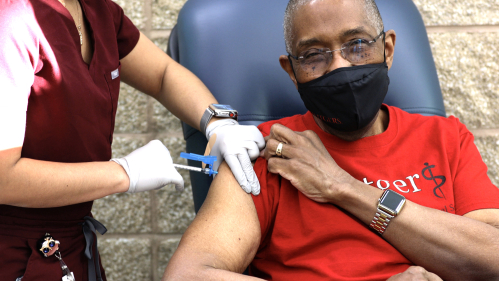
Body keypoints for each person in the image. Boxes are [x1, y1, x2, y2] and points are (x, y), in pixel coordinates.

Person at [162, 0, 499, 280]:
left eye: (357, 45)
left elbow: (492, 257)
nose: (339, 66)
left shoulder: (445, 137)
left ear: (388, 49)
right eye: (313, 54)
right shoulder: (267, 150)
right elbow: (189, 274)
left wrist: (343, 187)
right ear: (292, 72)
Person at [0, 0, 264, 280]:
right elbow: (3, 178)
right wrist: (124, 173)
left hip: (72, 248)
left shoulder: (99, 12)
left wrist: (217, 122)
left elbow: (163, 75)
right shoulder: (12, 20)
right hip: (14, 253)